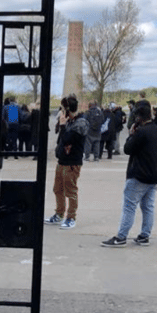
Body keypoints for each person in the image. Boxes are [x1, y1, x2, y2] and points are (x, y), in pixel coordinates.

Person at [102, 100, 157, 247]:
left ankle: (121, 237)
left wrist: (131, 135)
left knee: (129, 207)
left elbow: (127, 149)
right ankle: (145, 235)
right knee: (148, 207)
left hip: (138, 175)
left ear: (138, 117)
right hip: (153, 177)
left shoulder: (141, 133)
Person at [45, 95, 87, 229]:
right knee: (58, 189)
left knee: (71, 190)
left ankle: (71, 217)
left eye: (63, 109)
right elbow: (60, 140)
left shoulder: (80, 123)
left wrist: (63, 125)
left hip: (72, 163)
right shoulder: (68, 121)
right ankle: (59, 213)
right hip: (62, 160)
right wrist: (61, 124)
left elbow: (68, 139)